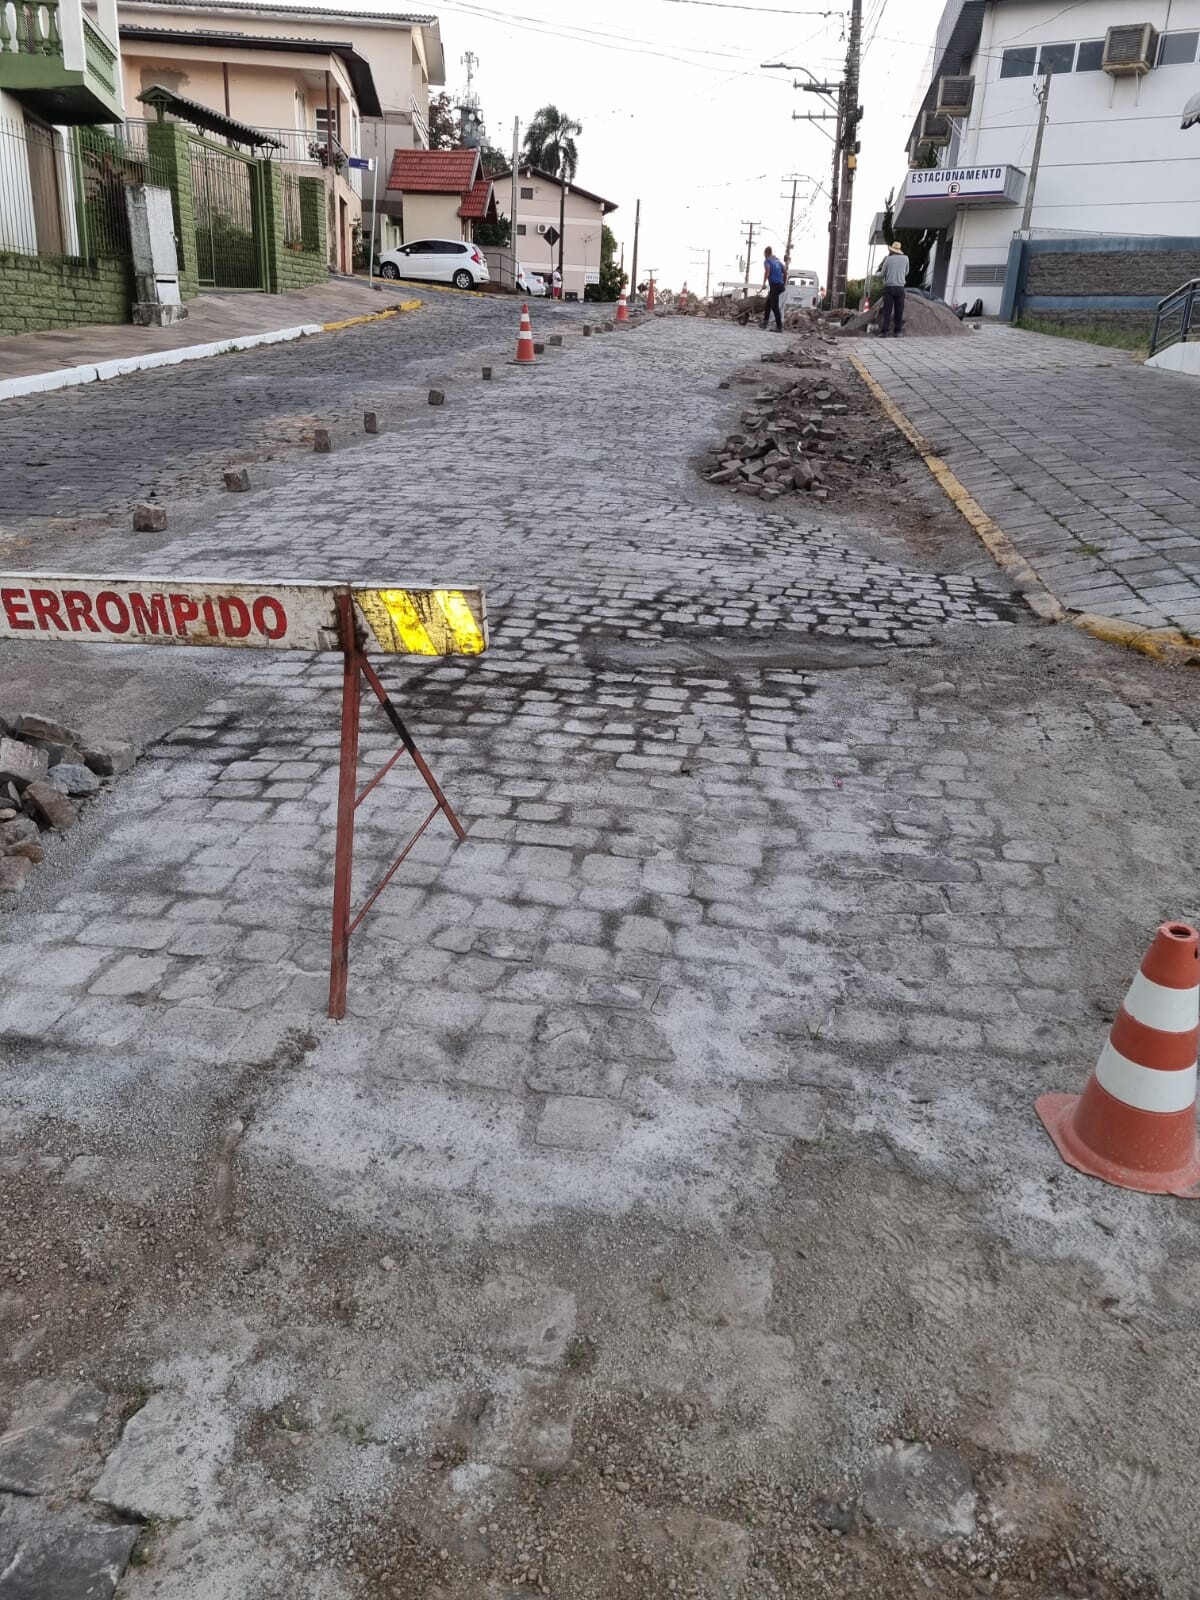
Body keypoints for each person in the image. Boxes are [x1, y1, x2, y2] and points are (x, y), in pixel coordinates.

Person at [877, 240, 909, 336]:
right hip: (900, 288)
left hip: (889, 287)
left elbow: (882, 274)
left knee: (887, 311)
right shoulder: (906, 258)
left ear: (892, 250)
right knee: (899, 310)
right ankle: (897, 331)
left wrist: (877, 274)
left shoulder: (888, 259)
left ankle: (885, 331)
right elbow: (906, 272)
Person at [761, 246, 785, 333]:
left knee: (774, 306)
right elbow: (785, 272)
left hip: (775, 285)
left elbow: (767, 271)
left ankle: (779, 327)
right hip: (780, 285)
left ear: (766, 253)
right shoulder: (778, 261)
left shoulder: (767, 261)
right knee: (768, 303)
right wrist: (784, 283)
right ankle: (765, 322)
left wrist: (764, 283)